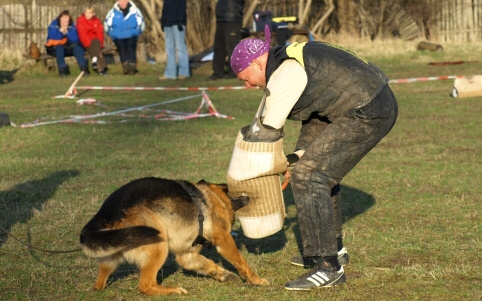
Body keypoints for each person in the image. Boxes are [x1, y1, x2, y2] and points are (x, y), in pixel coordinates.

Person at [230, 25, 398, 290]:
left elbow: (266, 130)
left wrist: (253, 170)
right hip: (343, 104)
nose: (249, 85)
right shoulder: (286, 60)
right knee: (308, 169)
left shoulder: (285, 72)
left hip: (367, 108)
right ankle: (335, 249)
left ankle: (328, 268)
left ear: (256, 62)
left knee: (310, 174)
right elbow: (297, 118)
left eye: (245, 78)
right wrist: (290, 160)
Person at [104, 0, 145, 75]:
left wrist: (138, 31)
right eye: (120, 1)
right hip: (118, 35)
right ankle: (125, 66)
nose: (122, 3)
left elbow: (141, 22)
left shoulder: (135, 10)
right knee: (122, 49)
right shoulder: (112, 12)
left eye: (124, 1)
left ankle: (132, 65)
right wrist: (111, 33)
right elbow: (106, 23)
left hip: (132, 34)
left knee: (131, 48)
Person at [207, 0, 244, 80]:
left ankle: (233, 72)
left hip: (233, 19)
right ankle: (218, 73)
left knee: (232, 47)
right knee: (218, 47)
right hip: (221, 19)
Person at [46, 10, 89, 77]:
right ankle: (62, 69)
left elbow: (75, 39)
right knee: (59, 48)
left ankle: (83, 68)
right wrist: (61, 32)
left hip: (68, 47)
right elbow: (52, 38)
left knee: (78, 47)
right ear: (60, 18)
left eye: (67, 20)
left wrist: (67, 32)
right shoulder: (53, 26)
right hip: (53, 48)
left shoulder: (72, 26)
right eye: (63, 20)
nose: (65, 22)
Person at [159, 0, 190, 80]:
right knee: (169, 49)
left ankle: (184, 72)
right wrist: (162, 21)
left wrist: (180, 19)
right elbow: (164, 8)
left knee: (180, 47)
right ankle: (170, 73)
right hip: (167, 23)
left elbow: (182, 6)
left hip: (178, 22)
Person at [77, 6, 108, 75]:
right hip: (86, 43)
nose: (87, 15)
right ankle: (101, 69)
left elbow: (100, 34)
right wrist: (90, 44)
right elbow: (83, 35)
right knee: (97, 50)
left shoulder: (97, 21)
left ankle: (95, 62)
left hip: (96, 42)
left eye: (90, 13)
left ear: (93, 14)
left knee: (96, 43)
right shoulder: (81, 21)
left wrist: (100, 44)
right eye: (86, 13)